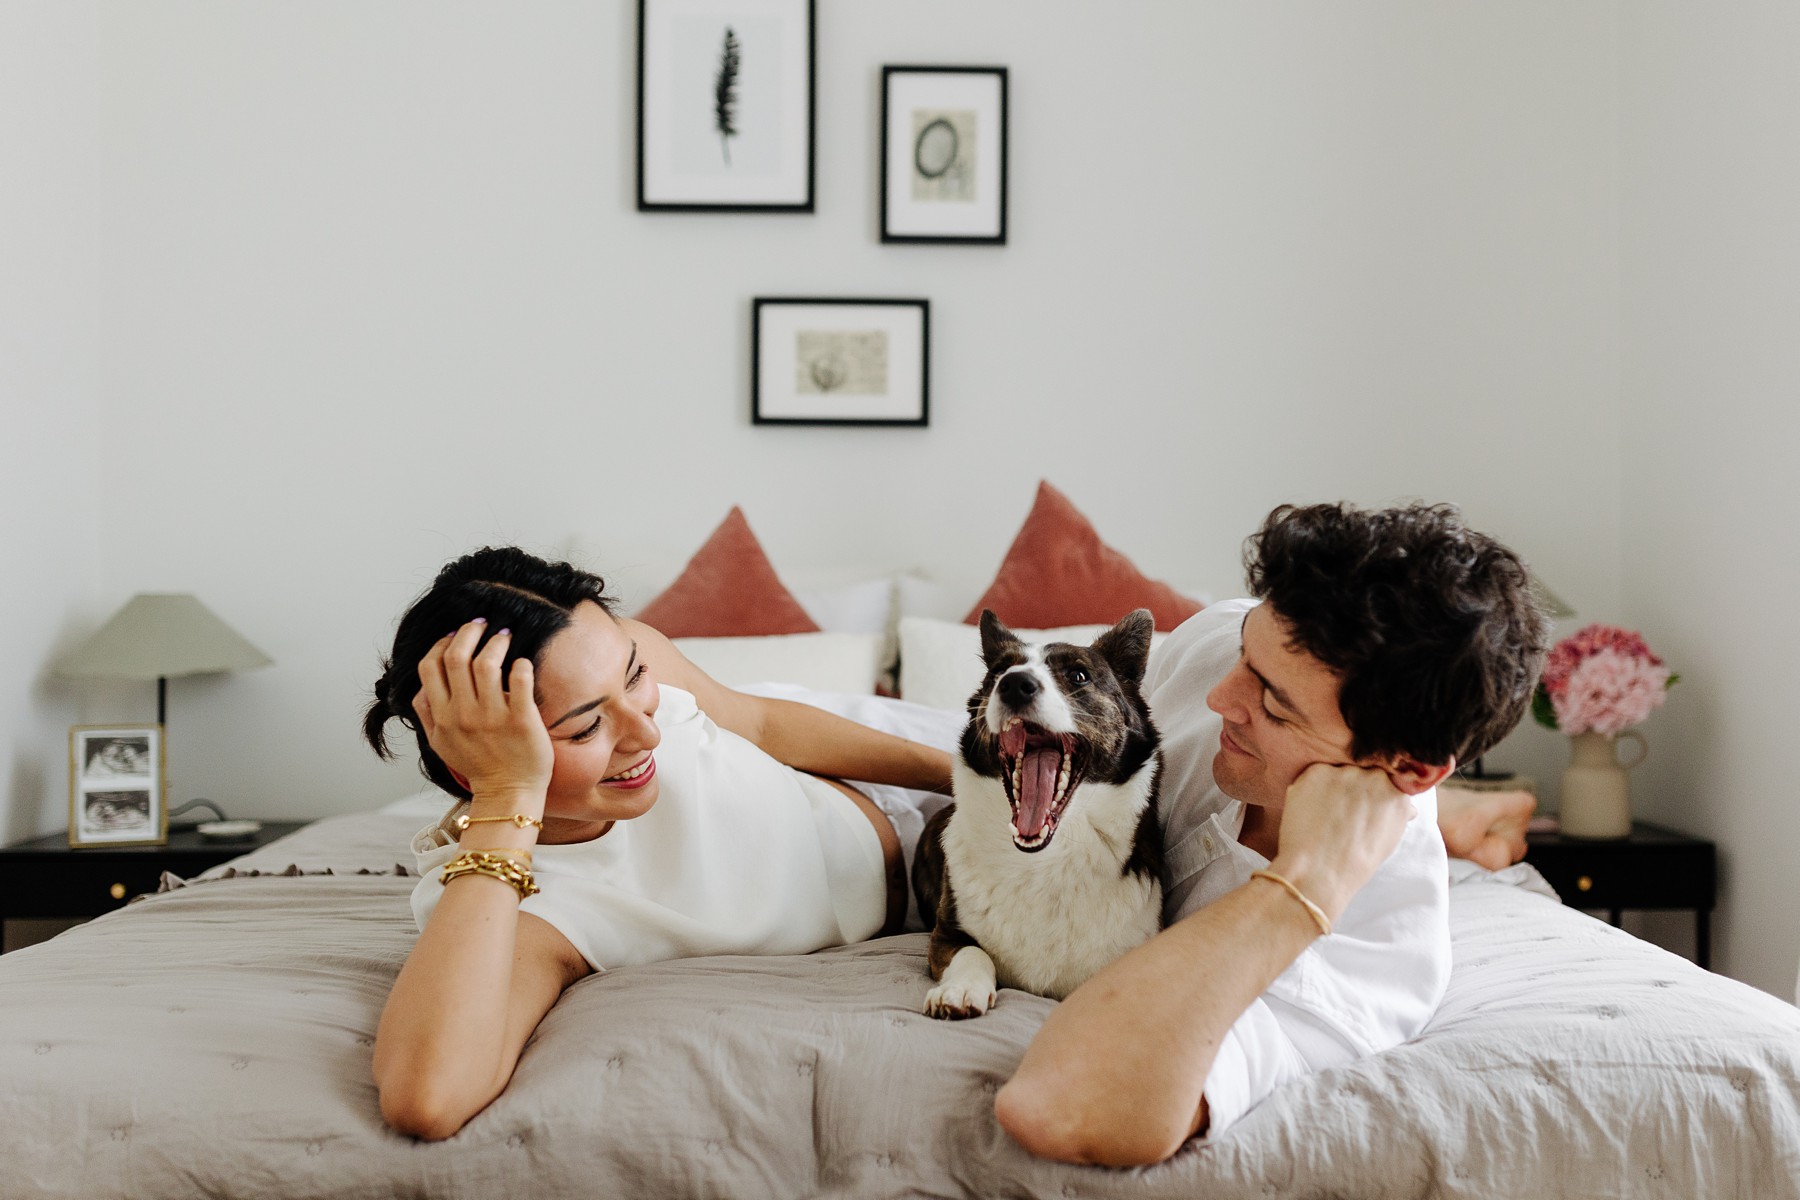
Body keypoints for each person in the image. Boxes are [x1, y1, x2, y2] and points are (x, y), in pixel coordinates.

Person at [994, 501, 1550, 1165]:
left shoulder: (1369, 959)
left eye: (1275, 705)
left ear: (1405, 768)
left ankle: (1460, 818)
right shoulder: (1228, 643)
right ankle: (1465, 814)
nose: (1220, 698)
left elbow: (1054, 1105)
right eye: (1244, 657)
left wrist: (1299, 886)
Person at [361, 547, 955, 1140]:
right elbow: (428, 1097)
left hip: (884, 769)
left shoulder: (621, 661)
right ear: (480, 767)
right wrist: (506, 793)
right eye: (587, 726)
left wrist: (970, 776)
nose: (648, 731)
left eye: (636, 676)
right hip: (929, 892)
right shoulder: (523, 906)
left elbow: (762, 724)